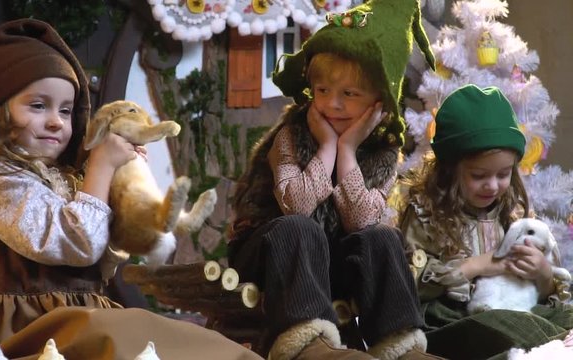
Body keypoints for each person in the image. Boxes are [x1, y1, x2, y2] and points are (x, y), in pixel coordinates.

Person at [0, 18, 263, 360]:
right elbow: (79, 245)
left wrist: (124, 187)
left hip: (78, 316)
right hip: (25, 327)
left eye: (66, 110)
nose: (56, 121)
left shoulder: (65, 178)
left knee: (175, 339)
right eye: (37, 105)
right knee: (137, 338)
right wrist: (102, 168)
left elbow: (100, 263)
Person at [227, 1, 446, 359]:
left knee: (381, 236)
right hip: (272, 254)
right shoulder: (291, 135)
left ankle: (400, 344)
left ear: (379, 103)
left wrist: (348, 151)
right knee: (300, 227)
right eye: (324, 91)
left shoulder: (383, 152)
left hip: (329, 263)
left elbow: (359, 221)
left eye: (350, 95)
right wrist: (327, 146)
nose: (333, 105)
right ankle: (308, 342)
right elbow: (295, 205)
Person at [399, 84, 573, 359]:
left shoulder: (511, 213)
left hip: (515, 305)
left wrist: (543, 275)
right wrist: (476, 265)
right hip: (452, 317)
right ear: (450, 170)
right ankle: (552, 348)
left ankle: (551, 345)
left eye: (503, 174)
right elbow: (406, 285)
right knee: (506, 325)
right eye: (479, 175)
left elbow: (538, 292)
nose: (492, 186)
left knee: (565, 314)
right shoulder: (426, 212)